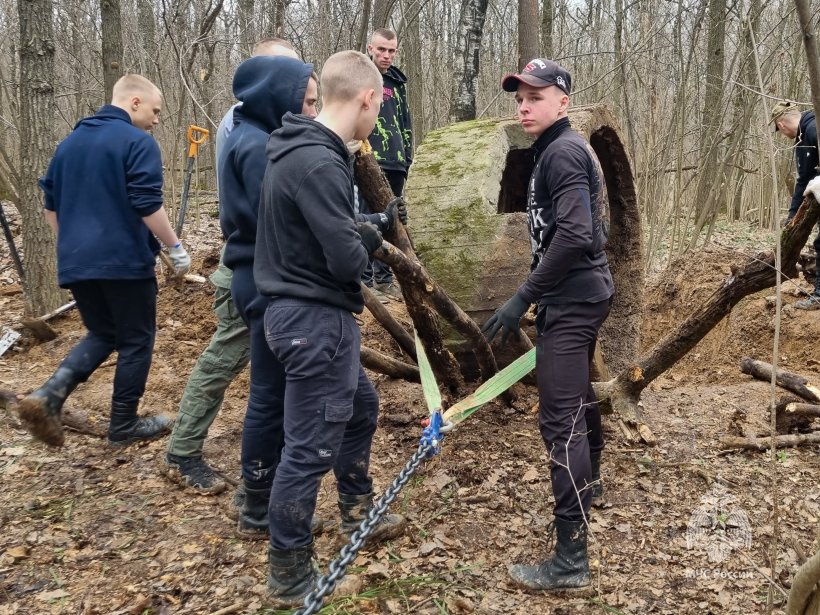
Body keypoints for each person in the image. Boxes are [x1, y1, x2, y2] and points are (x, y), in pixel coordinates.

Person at [254, 50, 406, 607]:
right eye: (378, 105)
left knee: (361, 408)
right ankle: (289, 570)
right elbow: (344, 259)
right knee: (309, 448)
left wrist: (368, 221)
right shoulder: (319, 162)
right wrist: (368, 238)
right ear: (367, 97)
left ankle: (357, 506)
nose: (377, 118)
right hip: (314, 321)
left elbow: (318, 229)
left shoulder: (301, 149)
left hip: (299, 315)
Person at [482, 59, 613, 593]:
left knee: (559, 420)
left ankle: (570, 559)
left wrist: (521, 298)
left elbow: (578, 235)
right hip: (578, 298)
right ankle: (594, 480)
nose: (524, 105)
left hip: (574, 301)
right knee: (577, 394)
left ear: (563, 100)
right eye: (519, 97)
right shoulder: (554, 151)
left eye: (536, 96)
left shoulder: (562, 153)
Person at [18, 74, 190, 448]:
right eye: (155, 110)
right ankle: (123, 423)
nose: (157, 120)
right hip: (123, 262)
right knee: (137, 339)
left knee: (103, 333)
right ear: (133, 103)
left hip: (77, 261)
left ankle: (49, 396)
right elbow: (147, 203)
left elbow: (50, 205)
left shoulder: (69, 144)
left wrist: (74, 243)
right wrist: (175, 247)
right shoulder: (137, 142)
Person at [163, 39, 301, 496]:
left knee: (254, 372)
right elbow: (266, 207)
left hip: (256, 259)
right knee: (226, 357)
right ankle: (183, 451)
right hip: (249, 263)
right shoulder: (246, 130)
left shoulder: (258, 123)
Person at [219, 55, 319, 537]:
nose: (311, 110)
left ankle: (256, 489)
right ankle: (258, 501)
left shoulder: (248, 134)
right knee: (268, 395)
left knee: (269, 392)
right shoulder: (259, 147)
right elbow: (276, 222)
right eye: (306, 99)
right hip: (263, 277)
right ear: (278, 96)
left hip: (254, 273)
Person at [363, 28, 413, 301]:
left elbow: (405, 121)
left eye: (391, 50)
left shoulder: (396, 82)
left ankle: (383, 279)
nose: (386, 55)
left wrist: (407, 156)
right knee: (365, 217)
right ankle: (364, 279)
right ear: (371, 47)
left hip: (395, 161)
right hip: (367, 158)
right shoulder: (360, 75)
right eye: (381, 49)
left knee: (390, 220)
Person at [771, 100, 820, 310]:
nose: (782, 134)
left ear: (781, 125)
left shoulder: (812, 129)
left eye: (780, 131)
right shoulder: (805, 135)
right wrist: (793, 217)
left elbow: (807, 179)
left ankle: (819, 296)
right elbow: (805, 179)